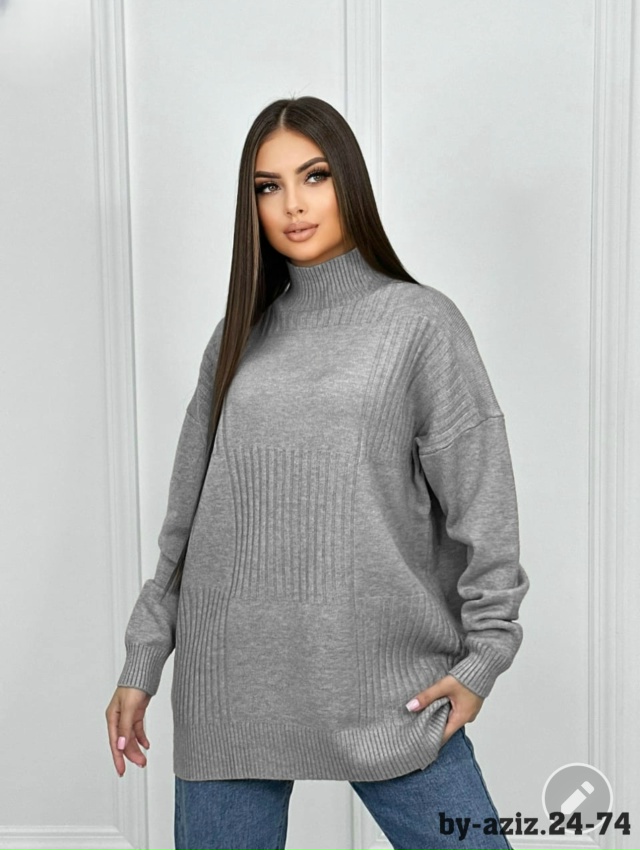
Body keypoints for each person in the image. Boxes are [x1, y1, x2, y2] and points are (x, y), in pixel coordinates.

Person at [105, 95, 529, 849]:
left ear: (349, 183)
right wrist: (144, 657)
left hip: (387, 687)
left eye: (315, 176)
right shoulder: (237, 336)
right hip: (229, 689)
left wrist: (485, 655)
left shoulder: (421, 324)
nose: (293, 205)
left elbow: (482, 504)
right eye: (268, 187)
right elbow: (188, 520)